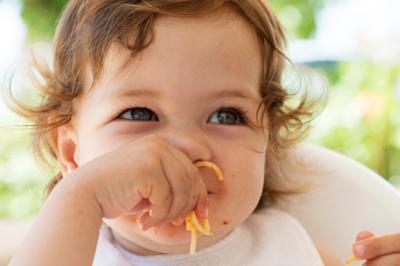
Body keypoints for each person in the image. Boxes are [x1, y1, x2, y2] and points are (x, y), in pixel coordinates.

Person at [7, 0, 400, 265]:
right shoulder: (70, 251)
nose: (188, 146)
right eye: (139, 113)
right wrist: (80, 197)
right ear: (74, 155)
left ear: (267, 143)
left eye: (227, 116)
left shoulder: (286, 245)